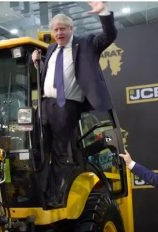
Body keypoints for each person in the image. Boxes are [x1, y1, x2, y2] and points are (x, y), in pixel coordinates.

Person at [32, 1, 117, 207]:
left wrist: (103, 13)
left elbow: (109, 36)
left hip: (66, 105)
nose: (59, 33)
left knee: (61, 152)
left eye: (62, 29)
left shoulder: (86, 43)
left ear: (71, 29)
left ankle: (56, 196)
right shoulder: (51, 49)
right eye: (55, 30)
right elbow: (50, 73)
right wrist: (37, 61)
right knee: (39, 149)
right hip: (45, 105)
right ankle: (39, 194)